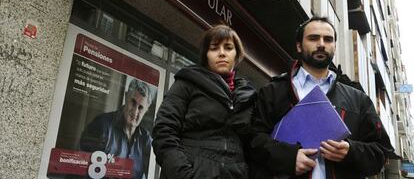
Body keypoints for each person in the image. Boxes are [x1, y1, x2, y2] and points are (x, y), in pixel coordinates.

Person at [248, 16, 396, 179]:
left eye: (328, 39)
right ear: (299, 46)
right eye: (313, 38)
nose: (321, 44)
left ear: (334, 46)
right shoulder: (273, 91)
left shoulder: (358, 99)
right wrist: (288, 158)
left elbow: (381, 152)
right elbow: (252, 141)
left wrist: (350, 151)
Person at [151, 24, 256, 179]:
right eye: (214, 48)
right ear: (206, 55)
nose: (221, 53)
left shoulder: (248, 95)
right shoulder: (187, 83)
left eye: (228, 47)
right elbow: (164, 131)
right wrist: (182, 174)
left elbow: (253, 144)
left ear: (237, 54)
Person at [80, 79, 153, 179]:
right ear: (126, 96)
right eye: (133, 102)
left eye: (140, 107)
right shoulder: (102, 125)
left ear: (146, 110)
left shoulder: (146, 140)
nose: (135, 111)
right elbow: (80, 168)